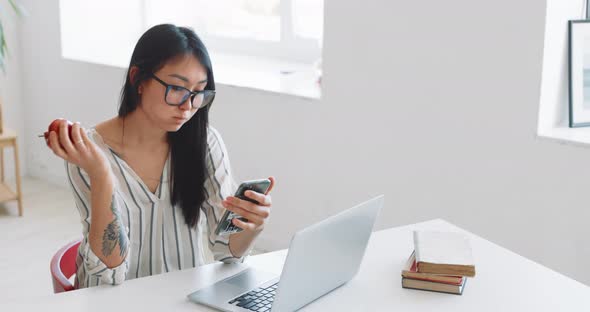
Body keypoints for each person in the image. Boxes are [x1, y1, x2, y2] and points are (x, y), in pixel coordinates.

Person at [47, 24, 275, 288]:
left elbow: (225, 250)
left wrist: (253, 225)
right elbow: (109, 275)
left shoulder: (205, 142)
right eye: (177, 88)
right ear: (138, 80)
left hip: (181, 299)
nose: (188, 106)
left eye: (199, 92)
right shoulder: (87, 153)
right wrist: (102, 175)